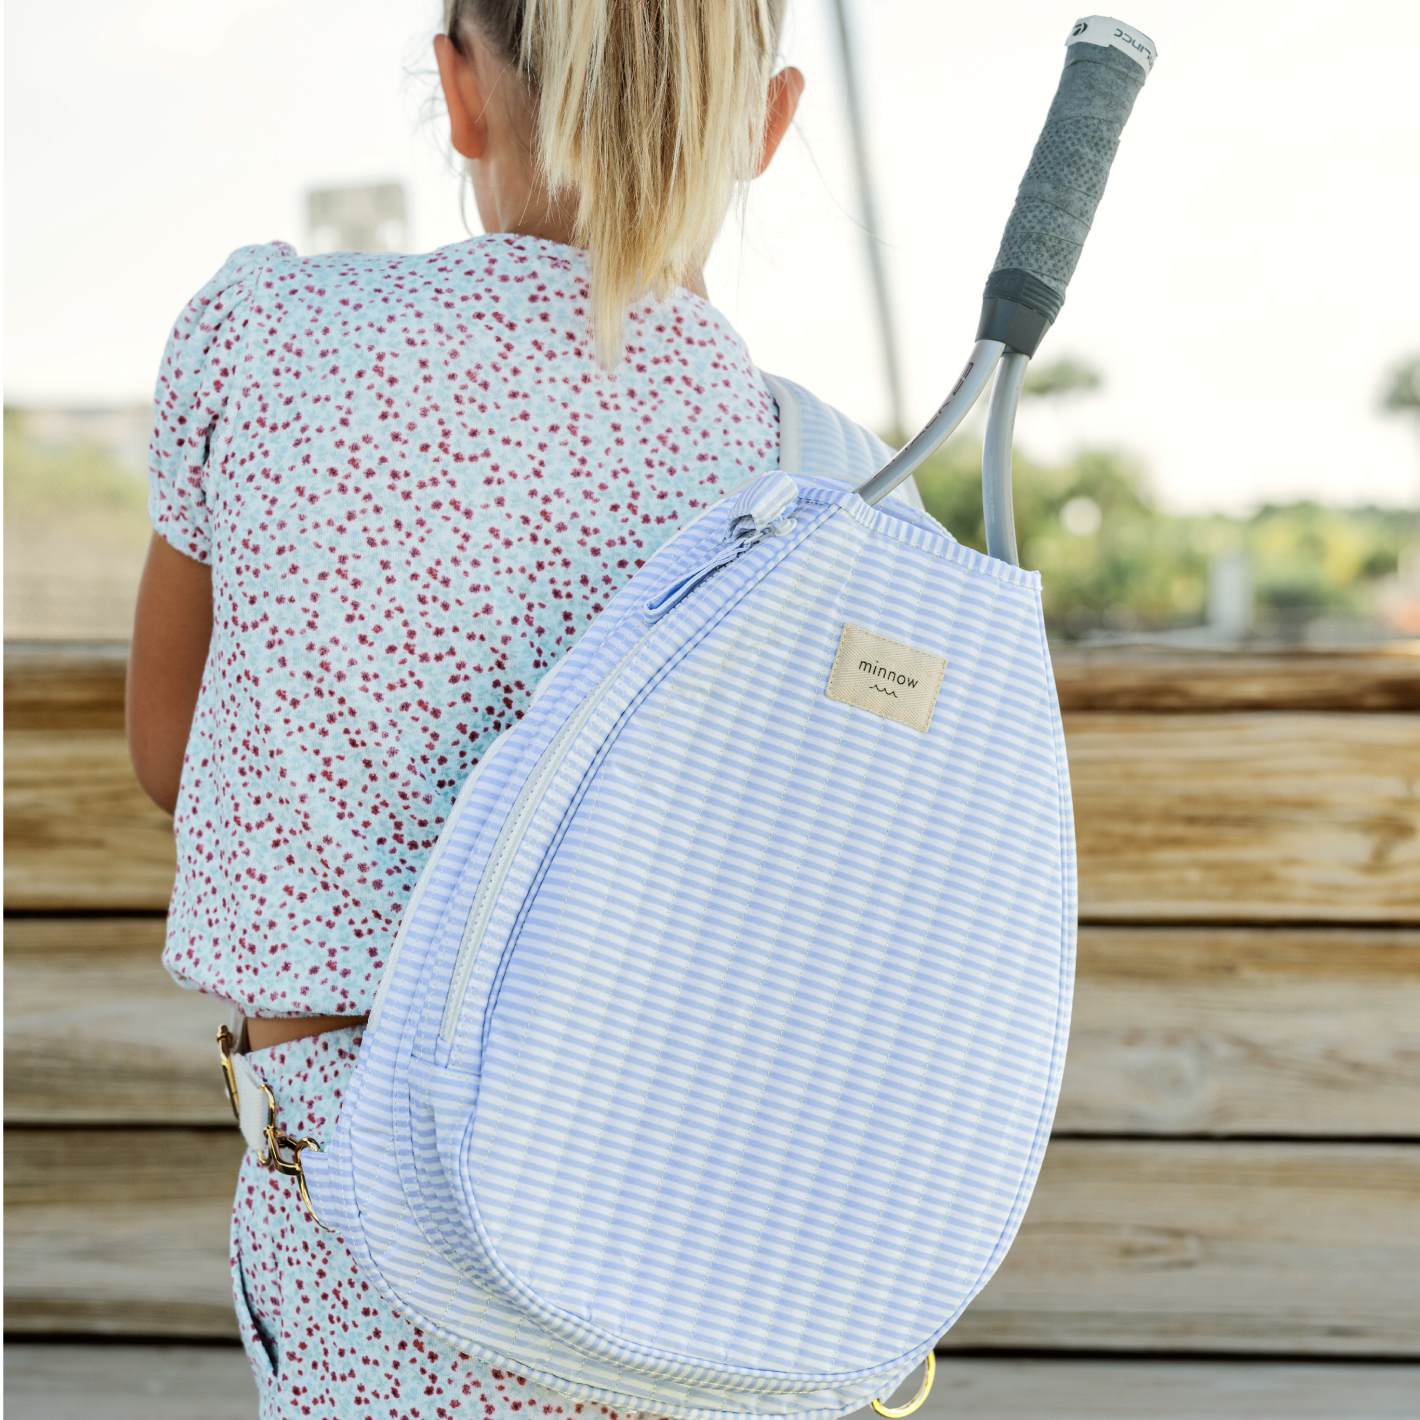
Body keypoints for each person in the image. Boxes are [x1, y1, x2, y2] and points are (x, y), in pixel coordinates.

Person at [128, 2, 899, 1415]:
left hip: (352, 1198)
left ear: (459, 88)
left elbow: (174, 753)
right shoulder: (805, 472)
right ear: (770, 124)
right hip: (695, 1214)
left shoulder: (262, 333)